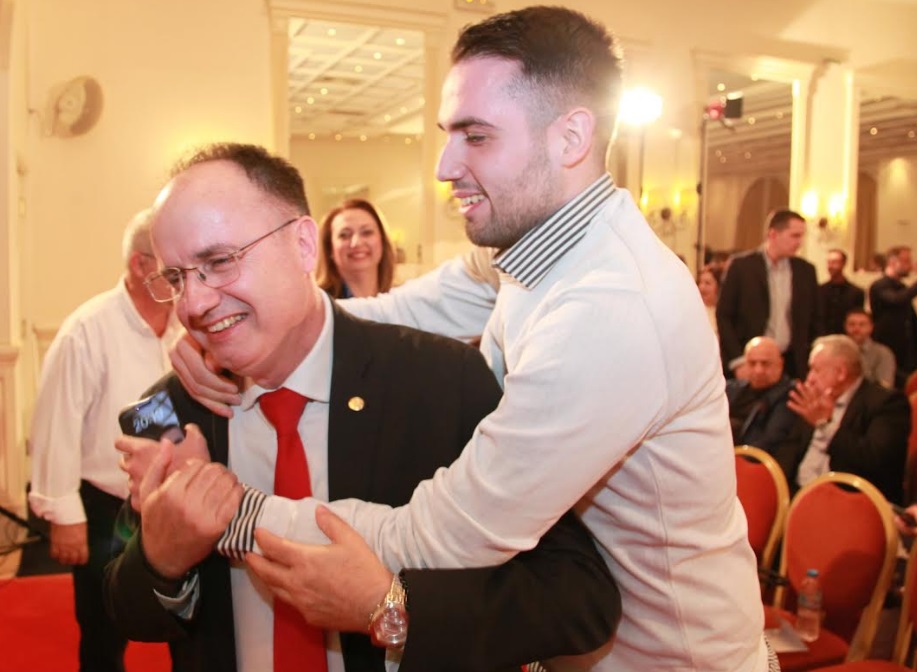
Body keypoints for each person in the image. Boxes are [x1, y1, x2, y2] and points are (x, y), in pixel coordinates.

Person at [168, 7, 771, 671]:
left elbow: (445, 534)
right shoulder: (535, 251)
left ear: (570, 138)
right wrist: (236, 321)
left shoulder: (609, 309)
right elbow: (389, 312)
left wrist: (226, 508)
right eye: (448, 134)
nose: (444, 166)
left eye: (476, 136)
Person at [105, 143, 619, 672]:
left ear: (304, 245)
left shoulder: (440, 383)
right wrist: (162, 559)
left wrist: (392, 607)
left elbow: (577, 597)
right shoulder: (162, 412)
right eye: (175, 278)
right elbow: (125, 608)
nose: (192, 304)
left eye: (219, 262)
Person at [28, 210, 180, 672]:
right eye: (174, 261)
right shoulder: (87, 330)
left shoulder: (188, 323)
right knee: (103, 630)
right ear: (140, 265)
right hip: (107, 509)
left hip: (177, 503)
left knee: (189, 625)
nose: (188, 271)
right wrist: (65, 515)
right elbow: (56, 425)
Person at [775, 335, 910, 504]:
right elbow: (789, 450)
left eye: (815, 370)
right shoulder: (815, 399)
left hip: (850, 502)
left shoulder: (886, 403)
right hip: (797, 496)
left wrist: (825, 426)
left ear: (840, 373)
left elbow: (874, 460)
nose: (810, 379)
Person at [717, 209, 821, 379]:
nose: (800, 242)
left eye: (802, 236)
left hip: (792, 363)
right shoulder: (741, 267)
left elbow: (815, 319)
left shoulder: (805, 271)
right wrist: (738, 360)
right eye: (794, 236)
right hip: (750, 361)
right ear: (773, 234)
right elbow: (724, 316)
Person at [869, 245, 917, 385]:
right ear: (893, 262)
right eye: (906, 261)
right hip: (888, 346)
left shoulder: (902, 287)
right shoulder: (879, 286)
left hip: (906, 351)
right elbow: (898, 299)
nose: (910, 266)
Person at [725, 337, 797, 455]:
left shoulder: (790, 394)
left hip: (750, 460)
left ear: (780, 364)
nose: (758, 370)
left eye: (765, 364)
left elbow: (769, 441)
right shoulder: (731, 389)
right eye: (752, 363)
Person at [316, 198, 395, 298]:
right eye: (344, 235)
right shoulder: (318, 303)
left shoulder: (401, 300)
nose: (356, 243)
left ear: (382, 241)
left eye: (367, 232)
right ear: (329, 248)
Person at [844, 308, 896, 388]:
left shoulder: (882, 353)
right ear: (845, 326)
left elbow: (884, 387)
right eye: (852, 324)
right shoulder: (836, 351)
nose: (856, 329)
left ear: (871, 327)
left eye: (862, 324)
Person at [819, 248, 865, 335]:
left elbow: (857, 319)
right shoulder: (819, 291)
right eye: (829, 262)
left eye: (834, 262)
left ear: (843, 263)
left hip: (847, 337)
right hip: (823, 337)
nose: (830, 266)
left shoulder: (856, 292)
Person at [698, 265, 721, 337]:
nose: (701, 287)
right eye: (700, 282)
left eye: (707, 283)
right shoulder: (695, 311)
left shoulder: (724, 314)